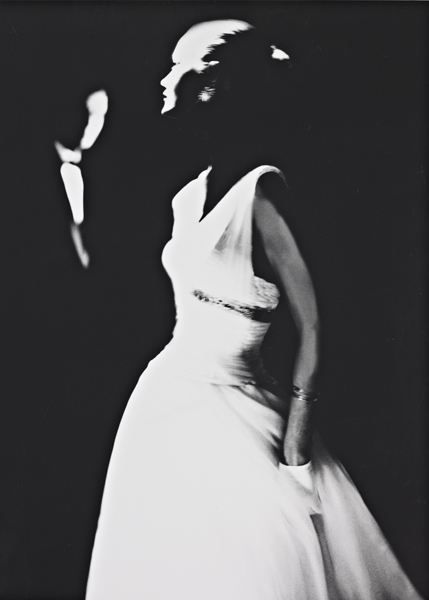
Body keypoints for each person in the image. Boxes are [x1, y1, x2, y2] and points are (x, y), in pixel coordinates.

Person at [85, 19, 422, 600]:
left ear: (212, 84)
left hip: (240, 406)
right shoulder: (187, 197)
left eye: (177, 66)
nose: (164, 79)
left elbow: (315, 324)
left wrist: (296, 447)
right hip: (163, 404)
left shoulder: (262, 195)